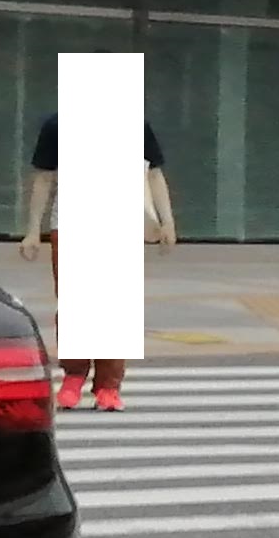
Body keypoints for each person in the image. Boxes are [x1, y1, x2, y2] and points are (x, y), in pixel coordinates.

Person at [22, 109, 175, 411]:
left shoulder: (134, 124)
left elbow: (154, 173)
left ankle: (108, 386)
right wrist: (31, 231)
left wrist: (167, 220)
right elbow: (43, 178)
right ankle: (74, 375)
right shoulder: (58, 124)